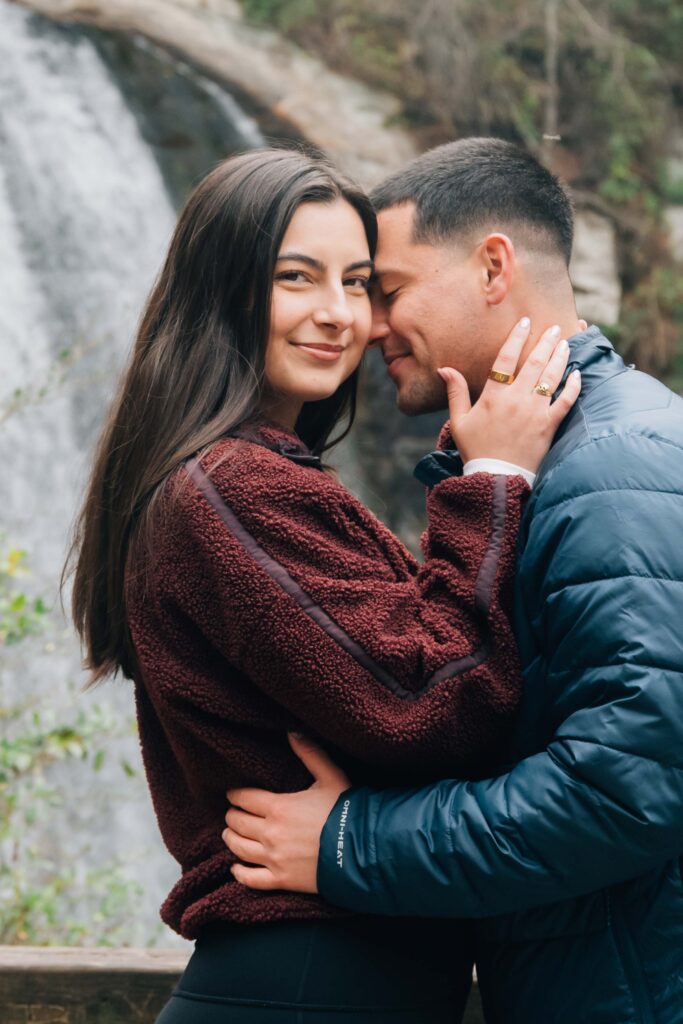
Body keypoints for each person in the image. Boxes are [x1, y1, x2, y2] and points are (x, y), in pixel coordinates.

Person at [66, 146, 577, 1023]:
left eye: (359, 284)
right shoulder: (232, 488)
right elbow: (427, 701)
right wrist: (492, 479)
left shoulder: (250, 477)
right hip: (306, 982)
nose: (341, 315)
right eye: (297, 277)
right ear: (224, 288)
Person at [222, 138, 683, 1024]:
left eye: (383, 288)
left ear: (493, 266)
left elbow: (627, 788)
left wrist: (350, 844)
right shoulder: (557, 460)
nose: (368, 325)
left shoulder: (613, 468)